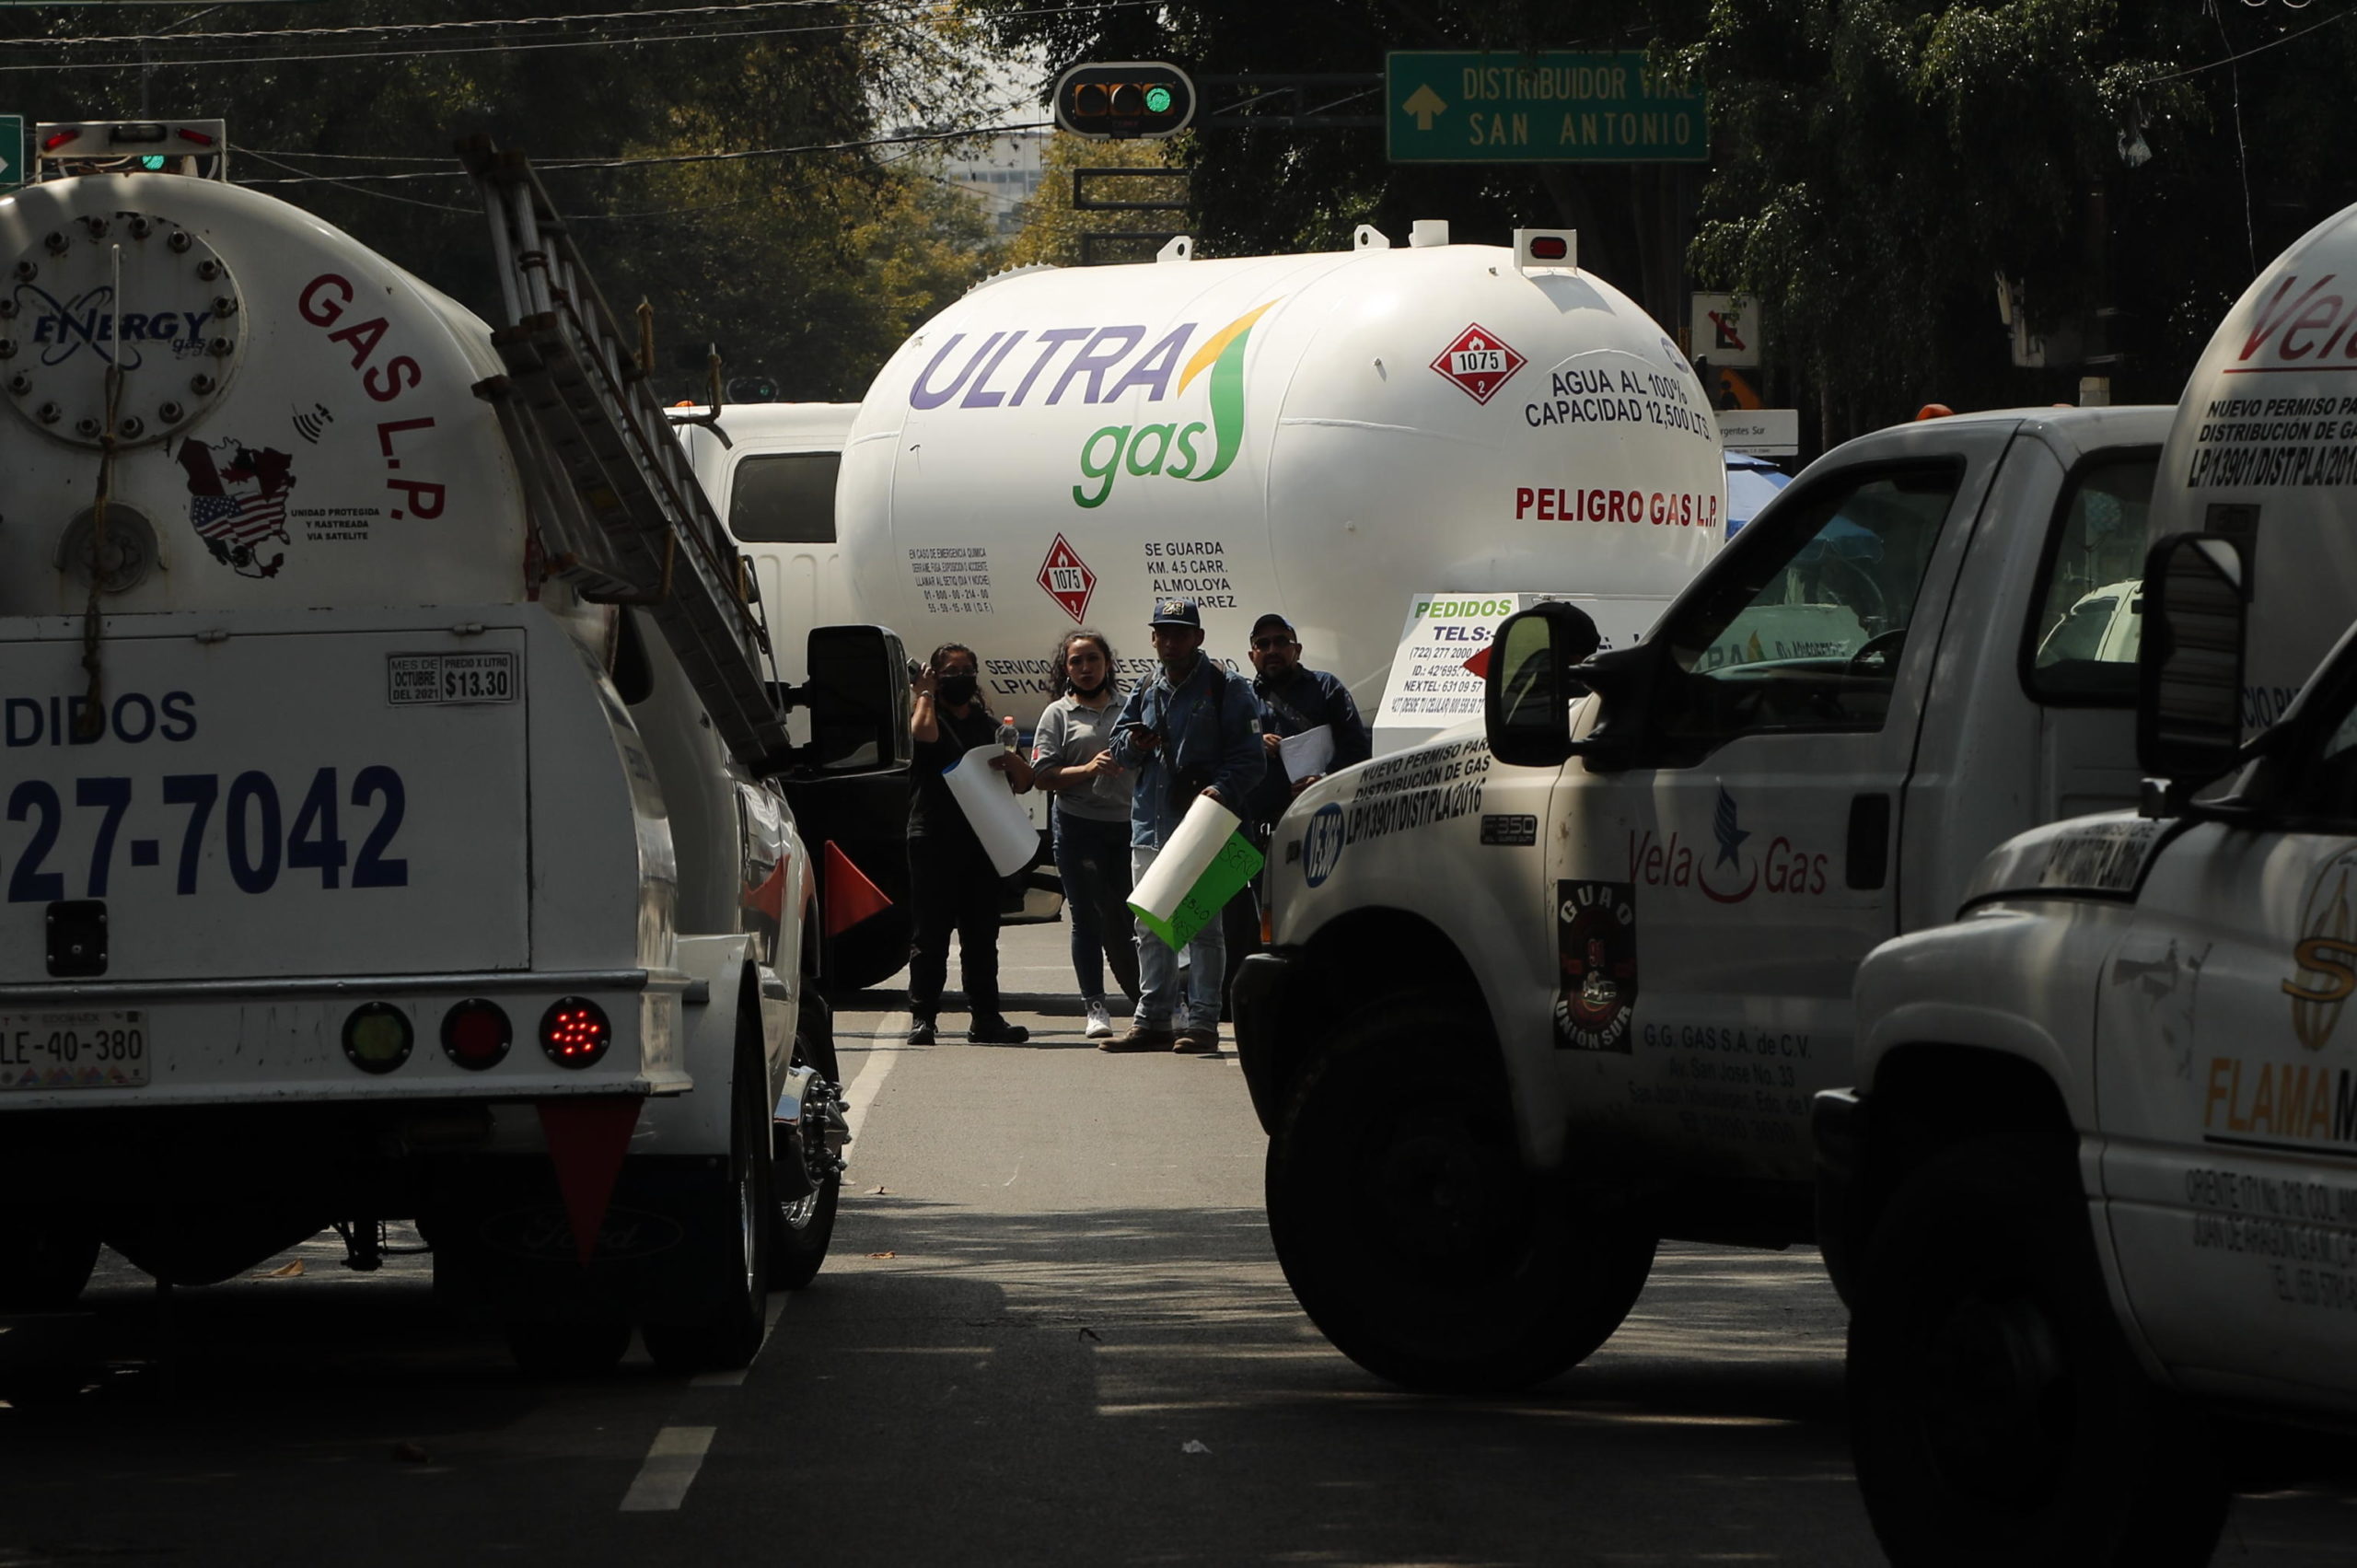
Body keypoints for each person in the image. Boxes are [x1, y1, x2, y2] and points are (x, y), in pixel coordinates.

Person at [1086, 599, 1263, 1055]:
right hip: (1151, 824)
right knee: (1150, 925)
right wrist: (1135, 743)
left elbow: (1251, 760)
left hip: (1205, 827)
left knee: (1203, 928)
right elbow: (1120, 751)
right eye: (1162, 633)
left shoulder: (1229, 688)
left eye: (1180, 633)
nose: (1169, 641)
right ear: (1152, 638)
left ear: (1198, 638)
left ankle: (1203, 1022)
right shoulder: (1146, 686)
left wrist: (1221, 790)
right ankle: (1152, 1021)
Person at [1228, 611, 1376, 990]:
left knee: (1321, 919)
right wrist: (1252, 745)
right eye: (1263, 644)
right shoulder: (1240, 696)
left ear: (1297, 649)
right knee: (1258, 925)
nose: (1272, 649)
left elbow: (1358, 749)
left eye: (1281, 641)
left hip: (1320, 828)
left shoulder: (1326, 689)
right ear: (1251, 655)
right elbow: (1219, 753)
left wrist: (1323, 780)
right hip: (1257, 833)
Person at [905, 643, 1033, 1046]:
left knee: (981, 936)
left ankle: (986, 1018)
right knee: (931, 935)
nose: (959, 677)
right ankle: (924, 1017)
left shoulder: (989, 725)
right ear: (937, 675)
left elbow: (1025, 781)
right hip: (932, 838)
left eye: (967, 670)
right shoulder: (929, 715)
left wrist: (1009, 760)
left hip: (981, 842)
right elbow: (924, 735)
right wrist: (924, 692)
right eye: (951, 670)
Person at [1029, 629, 1140, 1040]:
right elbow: (1042, 777)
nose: (1086, 668)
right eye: (1076, 661)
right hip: (1078, 828)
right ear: (1066, 669)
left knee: (1139, 917)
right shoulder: (1057, 714)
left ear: (1107, 663)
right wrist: (1088, 769)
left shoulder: (1130, 707)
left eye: (1093, 659)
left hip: (1128, 826)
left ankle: (1156, 1001)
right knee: (1086, 920)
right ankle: (1095, 1006)